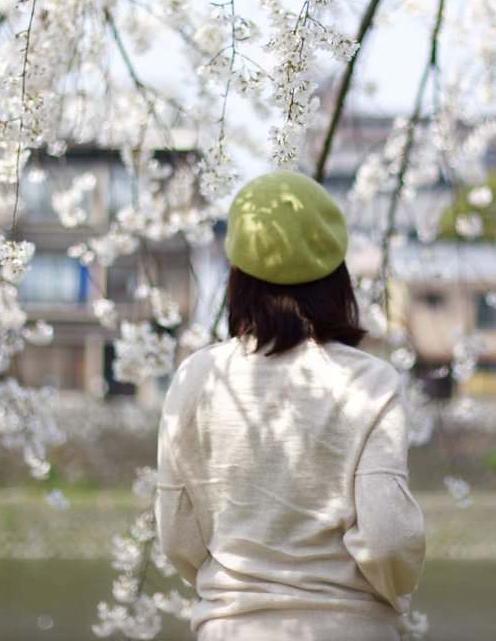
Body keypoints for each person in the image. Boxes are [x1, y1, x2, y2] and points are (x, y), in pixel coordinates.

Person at [156, 170, 427, 641]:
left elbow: (179, 536)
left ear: (236, 275)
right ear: (336, 277)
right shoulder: (371, 382)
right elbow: (388, 538)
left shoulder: (195, 378)